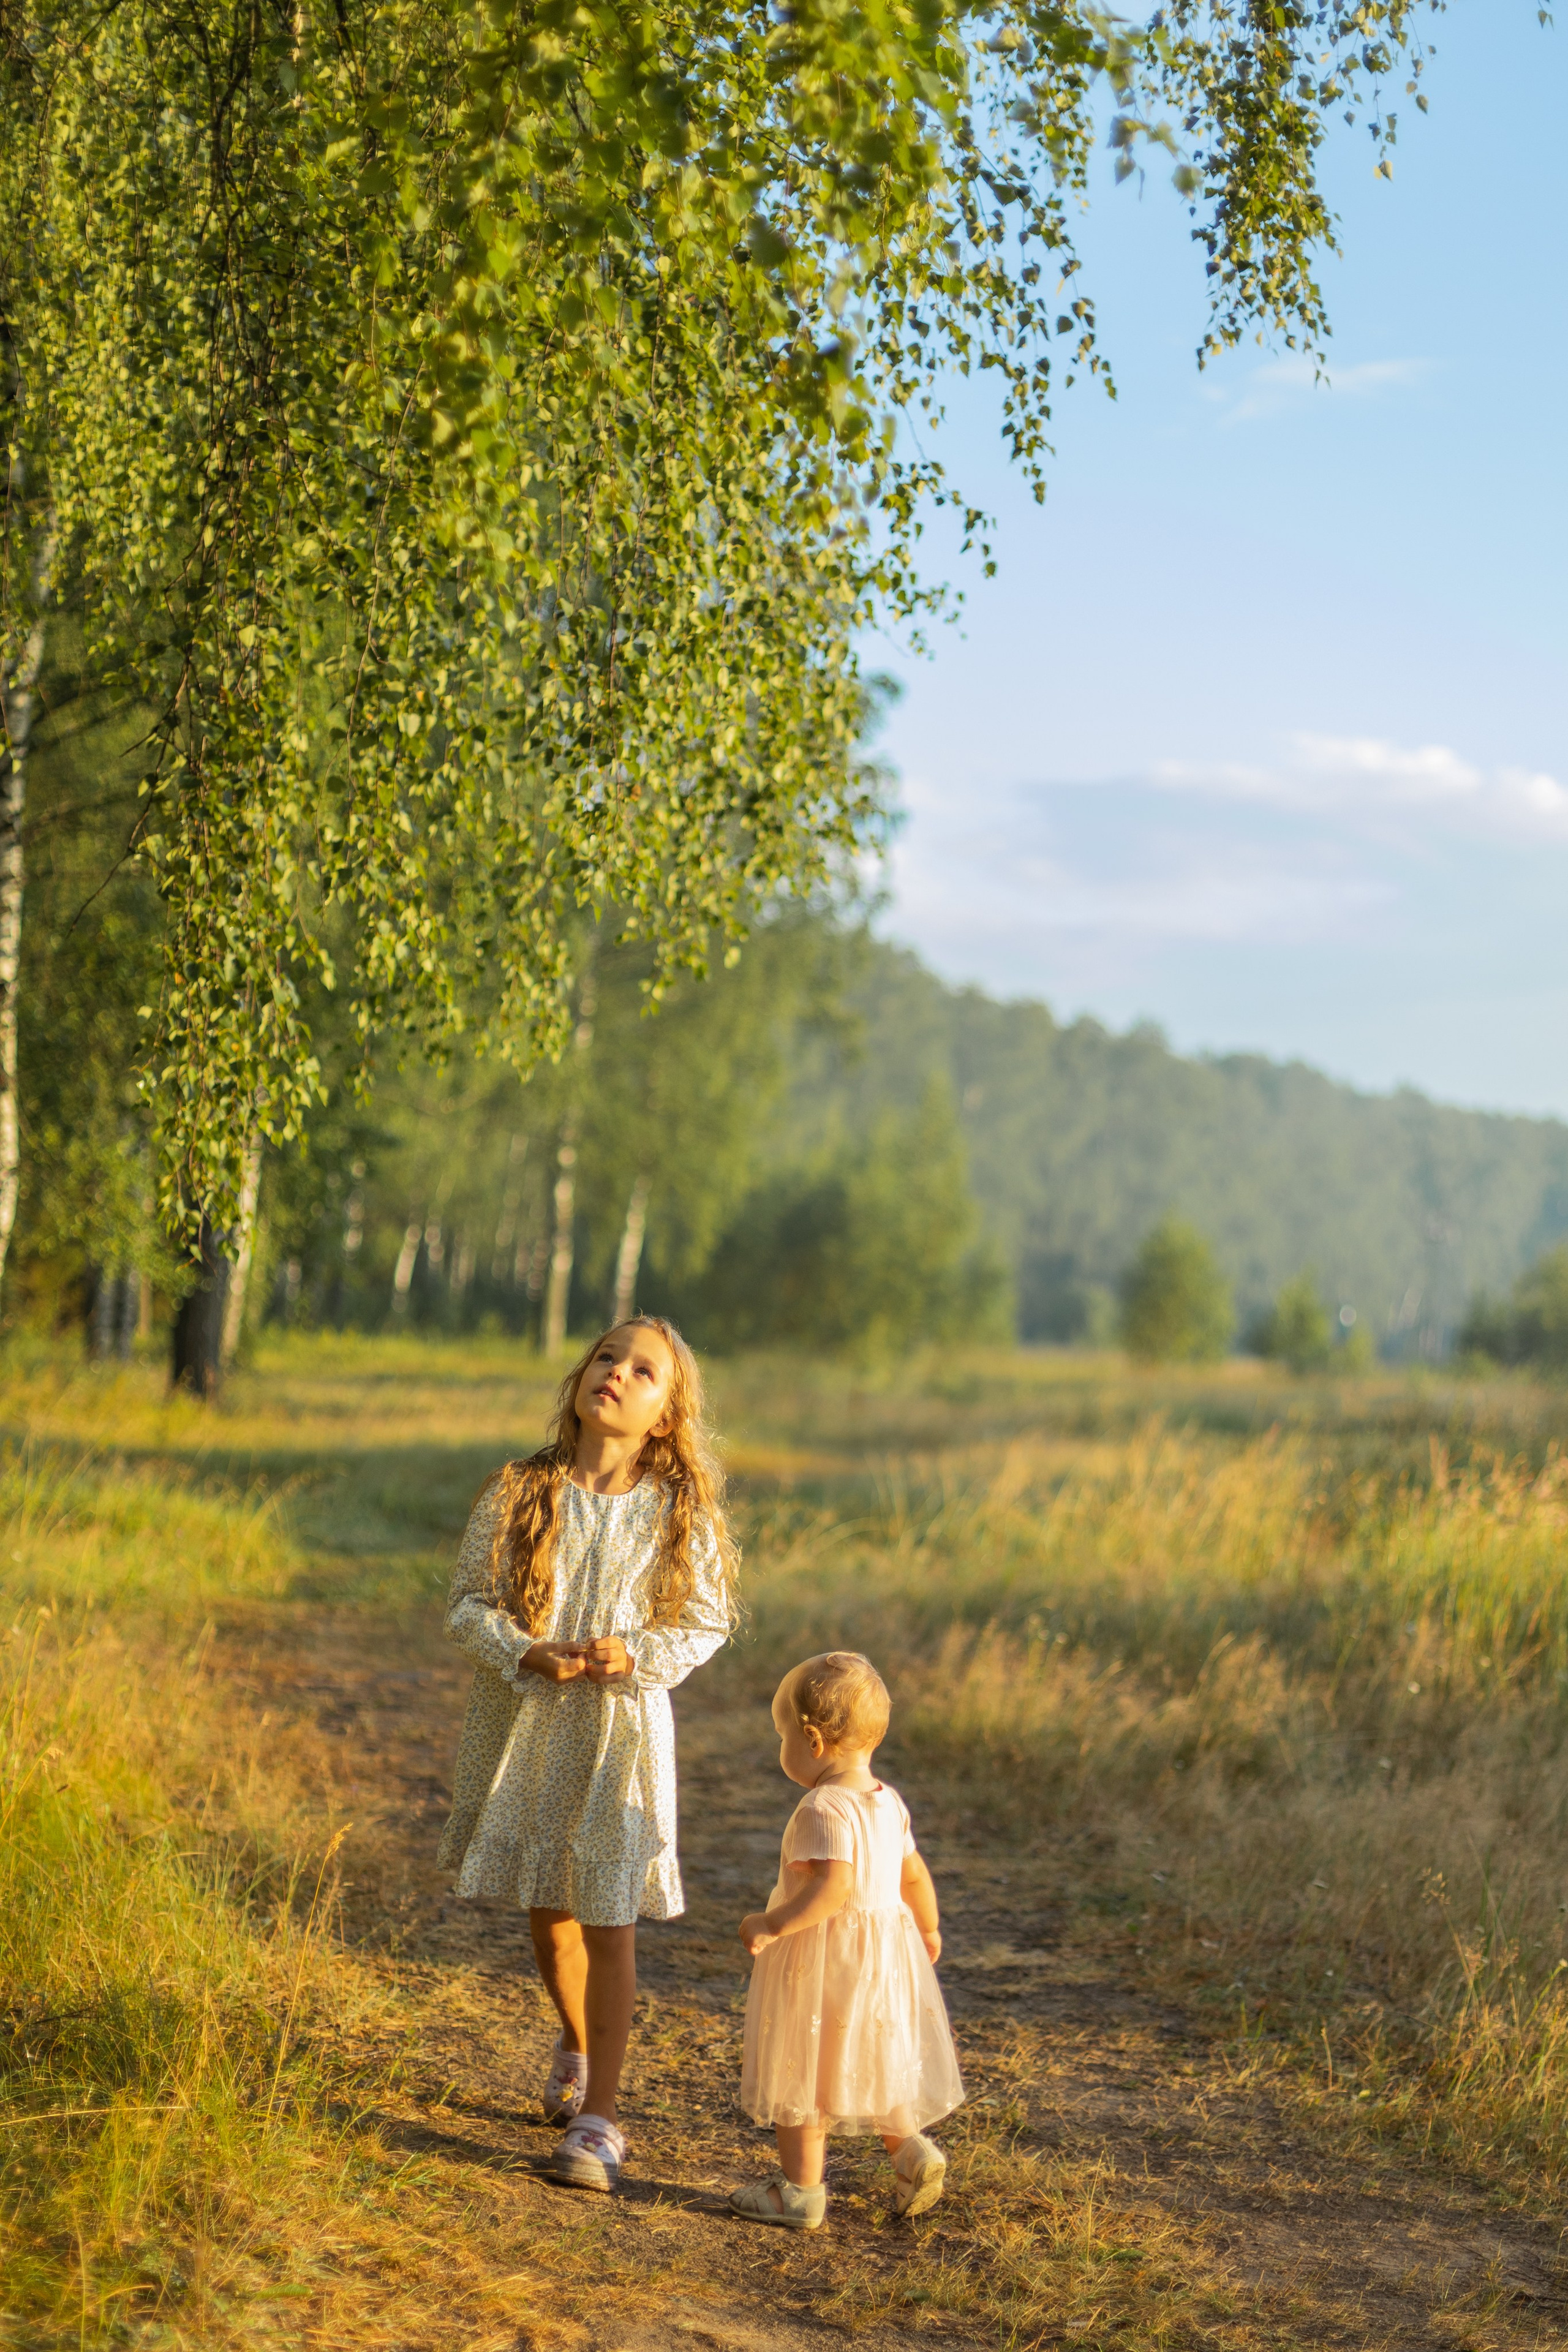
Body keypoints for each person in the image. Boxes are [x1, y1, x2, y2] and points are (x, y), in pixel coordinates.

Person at [437, 1316, 736, 2194]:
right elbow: (465, 1605)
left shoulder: (680, 1512)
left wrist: (637, 1654)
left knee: (610, 1918)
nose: (615, 1373)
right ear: (581, 1375)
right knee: (549, 1908)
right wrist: (522, 1649)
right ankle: (573, 2034)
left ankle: (601, 2119)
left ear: (665, 1415)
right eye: (607, 1356)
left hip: (619, 1740)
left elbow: (708, 1621)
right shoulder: (518, 1490)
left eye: (643, 1371)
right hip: (532, 1730)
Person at [729, 1651, 964, 2231]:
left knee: (803, 2069)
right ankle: (910, 2150)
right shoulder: (888, 1801)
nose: (781, 1744)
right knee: (874, 2057)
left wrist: (773, 1923)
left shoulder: (822, 1806)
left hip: (826, 1958)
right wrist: (928, 1927)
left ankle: (801, 2193)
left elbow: (835, 1889)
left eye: (782, 1733)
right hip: (883, 1958)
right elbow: (913, 1874)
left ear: (811, 1740)